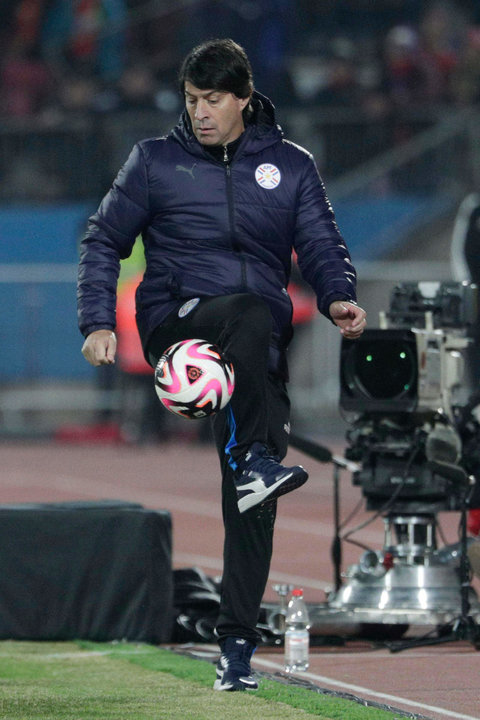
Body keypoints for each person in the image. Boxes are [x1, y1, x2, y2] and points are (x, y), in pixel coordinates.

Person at [77, 38, 367, 691]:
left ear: (243, 99)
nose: (201, 112)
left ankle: (235, 648)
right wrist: (97, 321)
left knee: (253, 503)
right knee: (253, 312)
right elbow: (104, 238)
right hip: (179, 324)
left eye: (213, 100)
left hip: (253, 348)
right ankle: (254, 463)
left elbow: (321, 241)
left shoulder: (291, 166)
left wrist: (340, 296)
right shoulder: (154, 162)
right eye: (191, 100)